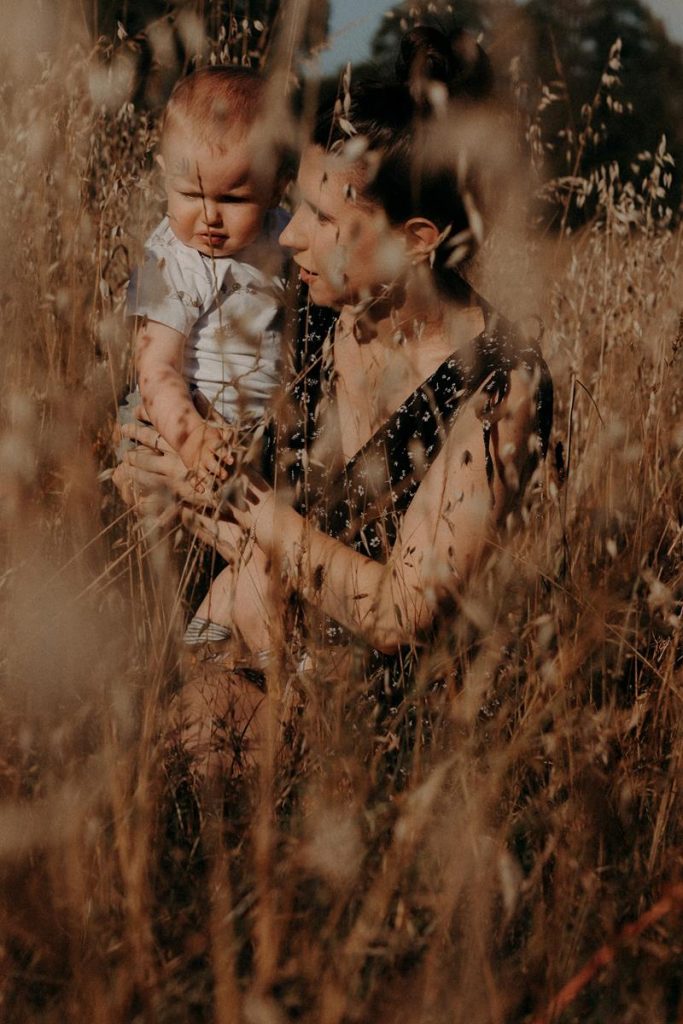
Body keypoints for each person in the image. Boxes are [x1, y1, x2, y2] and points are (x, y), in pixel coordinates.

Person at [116, 27, 553, 777]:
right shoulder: (311, 309)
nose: (291, 241)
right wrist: (168, 462)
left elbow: (398, 617)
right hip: (231, 628)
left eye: (322, 220)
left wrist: (237, 504)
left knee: (184, 761)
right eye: (297, 211)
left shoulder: (499, 387)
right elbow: (136, 458)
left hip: (369, 716)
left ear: (414, 240)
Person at [125, 64, 290, 644]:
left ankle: (212, 646)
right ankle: (265, 664)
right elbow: (154, 369)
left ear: (274, 187)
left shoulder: (282, 236)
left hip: (253, 434)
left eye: (234, 196)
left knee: (257, 560)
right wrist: (194, 439)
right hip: (184, 426)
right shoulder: (165, 257)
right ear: (162, 177)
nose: (210, 217)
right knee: (255, 551)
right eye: (190, 194)